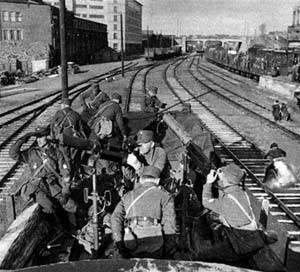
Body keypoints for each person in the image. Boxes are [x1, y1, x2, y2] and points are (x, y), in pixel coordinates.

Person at [202, 164, 278, 266]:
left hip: (240, 244)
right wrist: (222, 180)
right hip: (251, 237)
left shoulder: (228, 200)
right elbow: (226, 194)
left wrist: (208, 183)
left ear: (226, 178)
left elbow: (206, 201)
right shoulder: (241, 192)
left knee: (203, 255)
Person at [9, 126, 77, 228]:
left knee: (71, 206)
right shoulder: (31, 153)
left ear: (48, 137)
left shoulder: (57, 153)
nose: (38, 140)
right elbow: (13, 154)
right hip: (37, 187)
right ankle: (56, 231)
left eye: (41, 137)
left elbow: (66, 174)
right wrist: (23, 138)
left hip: (53, 185)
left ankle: (74, 230)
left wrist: (65, 192)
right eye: (37, 137)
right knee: (49, 208)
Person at [111, 166, 177, 259]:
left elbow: (115, 217)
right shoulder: (165, 196)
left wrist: (119, 242)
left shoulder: (128, 195)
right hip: (155, 242)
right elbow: (170, 222)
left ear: (141, 180)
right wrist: (168, 248)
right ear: (157, 180)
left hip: (130, 240)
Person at [50, 98, 87, 178]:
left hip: (61, 139)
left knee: (63, 157)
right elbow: (81, 130)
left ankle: (65, 174)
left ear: (63, 105)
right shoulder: (76, 114)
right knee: (73, 158)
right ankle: (73, 174)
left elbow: (52, 126)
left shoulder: (58, 113)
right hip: (73, 140)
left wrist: (53, 138)